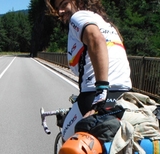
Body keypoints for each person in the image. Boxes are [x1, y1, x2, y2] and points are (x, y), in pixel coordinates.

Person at [45, 0, 132, 140]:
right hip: (125, 94)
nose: (60, 11)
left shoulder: (78, 17)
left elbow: (96, 39)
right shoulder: (107, 24)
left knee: (68, 140)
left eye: (64, 4)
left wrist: (101, 90)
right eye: (57, 8)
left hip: (95, 94)